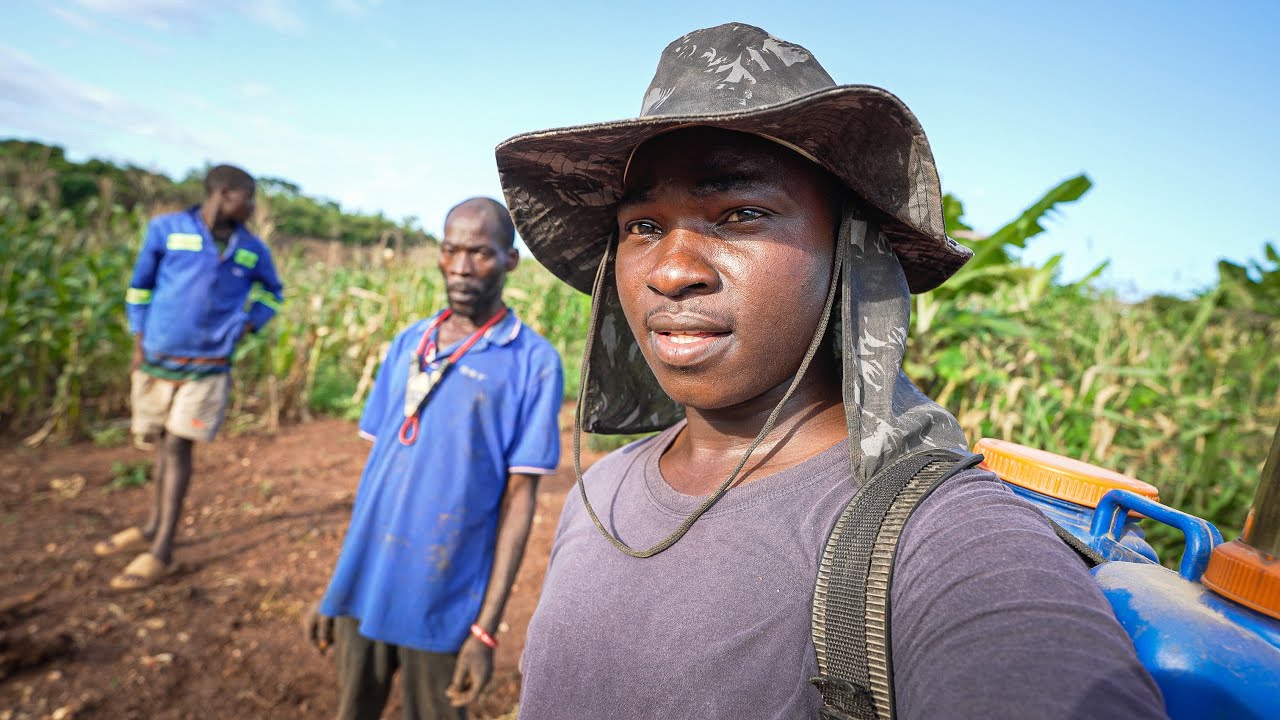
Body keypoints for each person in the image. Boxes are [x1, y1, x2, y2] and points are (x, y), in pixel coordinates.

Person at [495, 23, 1167, 719]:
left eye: (740, 213)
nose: (671, 270)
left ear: (847, 251)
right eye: (643, 226)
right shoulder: (599, 490)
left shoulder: (939, 543)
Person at [304, 197, 563, 719]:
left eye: (480, 253)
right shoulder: (408, 342)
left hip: (443, 596)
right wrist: (336, 589)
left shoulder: (533, 361)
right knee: (353, 709)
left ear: (510, 261)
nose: (462, 267)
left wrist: (485, 630)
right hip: (366, 586)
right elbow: (378, 480)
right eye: (451, 250)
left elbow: (519, 502)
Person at [95, 164, 283, 591]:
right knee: (163, 444)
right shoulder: (167, 231)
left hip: (209, 367)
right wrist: (137, 336)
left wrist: (249, 324)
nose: (252, 207)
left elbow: (273, 293)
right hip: (159, 359)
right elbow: (139, 287)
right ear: (223, 193)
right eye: (247, 197)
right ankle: (150, 527)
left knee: (179, 447)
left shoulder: (252, 249)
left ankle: (162, 550)